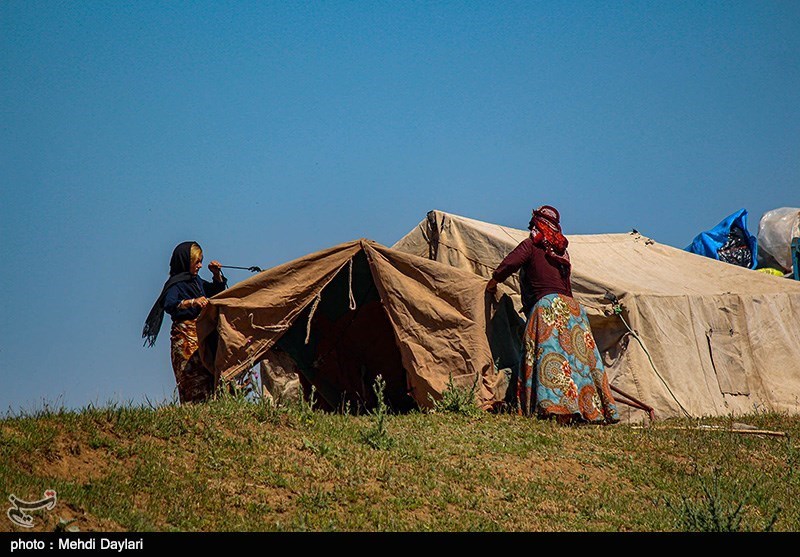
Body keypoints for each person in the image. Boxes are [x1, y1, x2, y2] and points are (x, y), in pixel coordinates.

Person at [486, 206, 619, 424]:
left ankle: (557, 411)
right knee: (578, 362)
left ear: (535, 224)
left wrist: (493, 282)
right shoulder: (561, 253)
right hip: (573, 310)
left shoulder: (531, 245)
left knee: (551, 359)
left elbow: (511, 262)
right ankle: (591, 411)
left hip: (548, 307)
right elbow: (566, 287)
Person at [143, 241, 227, 404]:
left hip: (202, 336)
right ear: (185, 262)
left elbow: (215, 292)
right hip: (186, 341)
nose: (200, 265)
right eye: (197, 262)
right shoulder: (176, 284)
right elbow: (169, 304)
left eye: (201, 261)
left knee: (209, 377)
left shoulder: (197, 281)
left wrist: (217, 275)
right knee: (193, 380)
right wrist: (192, 302)